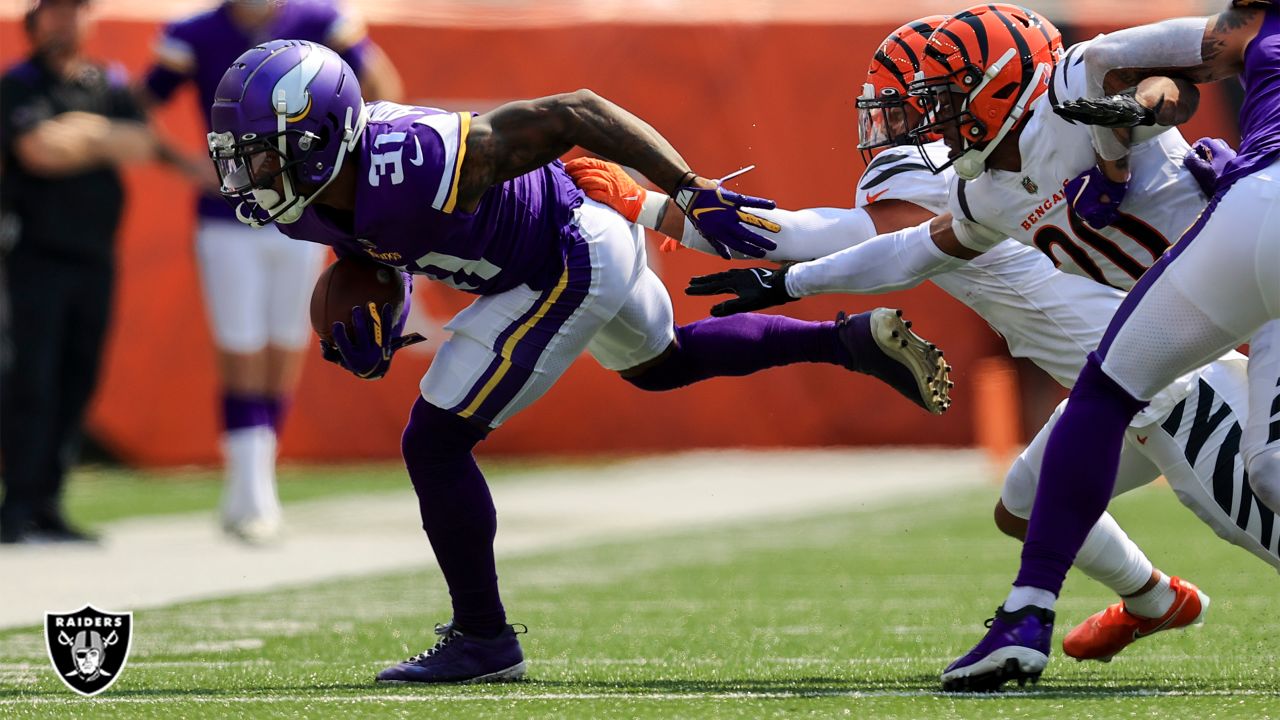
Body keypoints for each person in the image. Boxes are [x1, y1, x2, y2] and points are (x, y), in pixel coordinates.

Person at [205, 39, 953, 683]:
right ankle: (844, 340)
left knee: (434, 441)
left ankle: (483, 638)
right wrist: (376, 304)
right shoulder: (310, 198)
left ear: (319, 137)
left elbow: (576, 111)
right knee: (660, 365)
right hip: (576, 241)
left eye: (263, 156)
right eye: (241, 159)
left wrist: (688, 191)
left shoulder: (413, 163)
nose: (250, 177)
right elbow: (373, 238)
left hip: (566, 251)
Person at [569, 10, 1279, 674]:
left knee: (1266, 492)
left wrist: (659, 206)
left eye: (936, 98)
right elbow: (910, 250)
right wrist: (791, 286)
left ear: (994, 82)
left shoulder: (1062, 90)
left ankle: (1057, 612)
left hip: (1179, 364)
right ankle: (1154, 599)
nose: (924, 118)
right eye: (920, 102)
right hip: (1139, 352)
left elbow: (1178, 67)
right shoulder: (987, 189)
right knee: (1024, 506)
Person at [945, 0, 1280, 691]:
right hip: (1247, 230)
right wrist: (1121, 143)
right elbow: (1166, 89)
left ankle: (1028, 612)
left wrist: (1114, 159)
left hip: (1256, 216)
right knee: (1271, 467)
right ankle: (1123, 601)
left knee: (1107, 391)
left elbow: (1132, 67)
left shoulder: (1243, 31)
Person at [138, 0, 404, 542]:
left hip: (299, 209)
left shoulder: (319, 21)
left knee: (285, 346)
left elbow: (380, 84)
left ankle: (254, 488)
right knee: (240, 346)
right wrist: (183, 162)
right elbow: (139, 104)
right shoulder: (197, 32)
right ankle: (252, 489)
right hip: (227, 216)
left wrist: (344, 163)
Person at [0, 0, 182, 544]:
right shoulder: (19, 84)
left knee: (78, 378)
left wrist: (83, 128)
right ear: (34, 22)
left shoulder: (107, 82)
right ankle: (17, 505)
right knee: (31, 379)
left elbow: (143, 141)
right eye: (54, 11)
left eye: (75, 10)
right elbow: (39, 151)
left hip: (95, 257)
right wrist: (102, 138)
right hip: (35, 253)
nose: (65, 21)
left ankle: (49, 503)